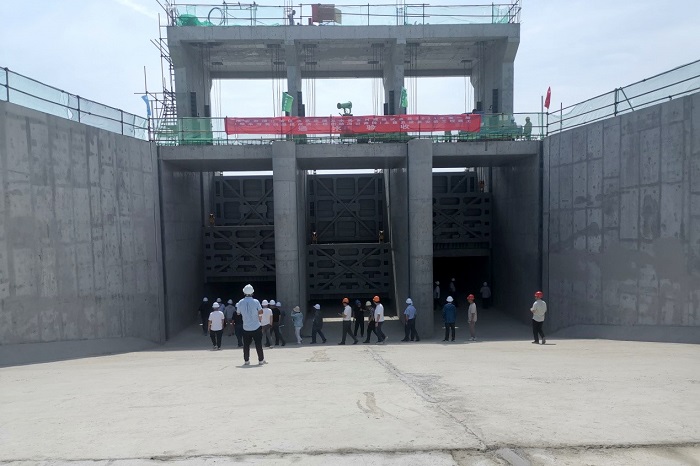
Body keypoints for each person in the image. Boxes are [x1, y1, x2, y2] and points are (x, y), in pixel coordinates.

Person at [236, 284, 266, 365]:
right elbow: (261, 311)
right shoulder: (256, 301)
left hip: (246, 327)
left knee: (246, 345)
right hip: (256, 326)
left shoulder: (240, 302)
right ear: (252, 292)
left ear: (244, 292)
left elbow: (238, 313)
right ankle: (261, 360)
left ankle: (246, 360)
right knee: (258, 344)